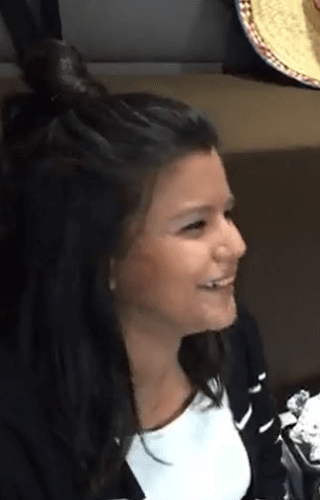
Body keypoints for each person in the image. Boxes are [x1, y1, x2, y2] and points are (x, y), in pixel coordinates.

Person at [0, 40, 285, 500]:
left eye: (227, 215)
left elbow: (270, 474)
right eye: (195, 225)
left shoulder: (231, 336)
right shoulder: (22, 439)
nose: (236, 244)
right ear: (99, 256)